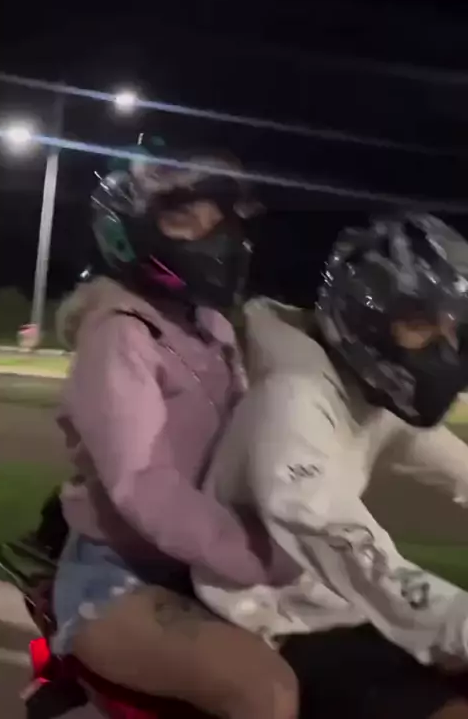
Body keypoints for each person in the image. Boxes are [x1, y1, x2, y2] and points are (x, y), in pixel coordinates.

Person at [50, 155, 298, 719]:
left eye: (220, 221)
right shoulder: (121, 335)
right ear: (128, 232)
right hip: (116, 576)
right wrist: (255, 554)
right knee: (265, 692)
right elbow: (144, 483)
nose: (217, 238)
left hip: (196, 567)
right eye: (187, 219)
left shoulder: (211, 327)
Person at [195, 213, 468, 719]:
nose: (444, 350)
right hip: (268, 614)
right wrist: (458, 620)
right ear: (367, 318)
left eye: (450, 331)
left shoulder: (365, 391)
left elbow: (455, 464)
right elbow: (337, 536)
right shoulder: (294, 397)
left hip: (330, 600)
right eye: (421, 326)